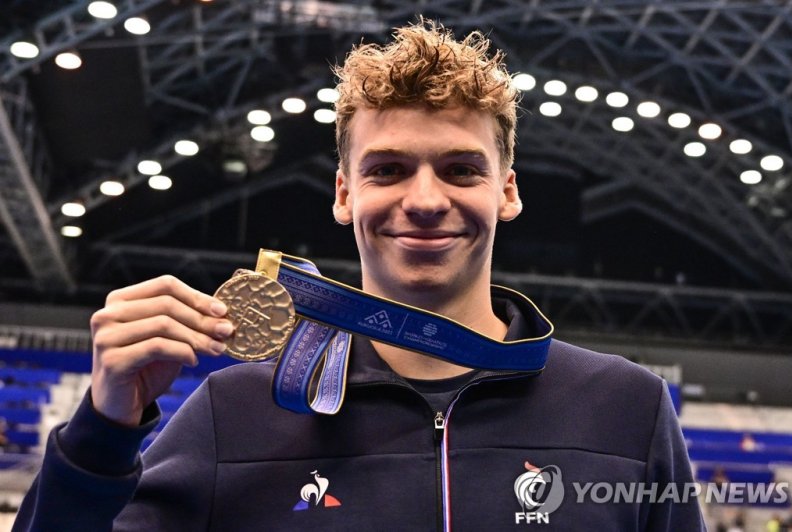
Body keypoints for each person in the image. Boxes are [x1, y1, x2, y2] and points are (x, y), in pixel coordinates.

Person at [13, 19, 704, 531]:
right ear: (345, 195)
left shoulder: (628, 411)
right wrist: (103, 432)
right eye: (388, 169)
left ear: (508, 192)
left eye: (461, 169)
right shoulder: (235, 417)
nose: (426, 200)